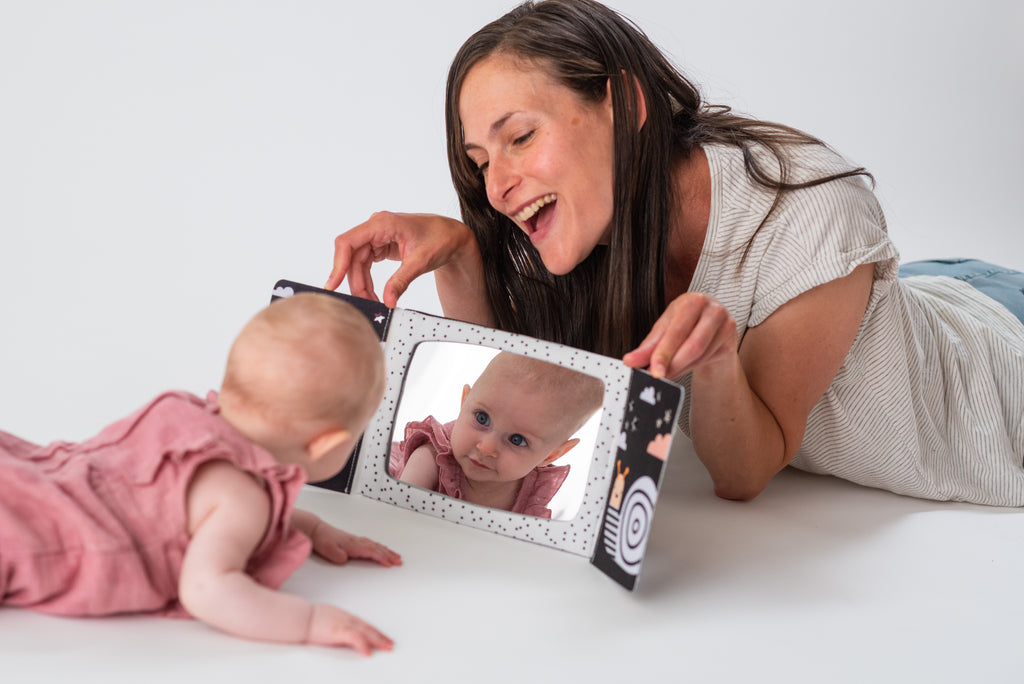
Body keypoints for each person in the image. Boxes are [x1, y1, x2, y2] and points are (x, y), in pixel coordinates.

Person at [326, 0, 1024, 506]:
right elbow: (520, 391)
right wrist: (460, 256)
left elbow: (745, 472)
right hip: (918, 299)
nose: (498, 187)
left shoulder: (808, 208)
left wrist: (718, 361)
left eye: (520, 137)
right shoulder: (593, 226)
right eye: (479, 162)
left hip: (994, 361)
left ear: (623, 106)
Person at [0, 293, 401, 654]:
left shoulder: (188, 412)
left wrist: (312, 528)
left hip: (31, 478)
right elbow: (207, 590)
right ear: (325, 445)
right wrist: (308, 622)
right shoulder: (243, 498)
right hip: (28, 534)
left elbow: (194, 511)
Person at [389, 351, 603, 518]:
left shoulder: (533, 494)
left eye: (517, 440)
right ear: (465, 401)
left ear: (551, 455)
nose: (487, 448)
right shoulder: (431, 459)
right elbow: (393, 519)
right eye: (482, 418)